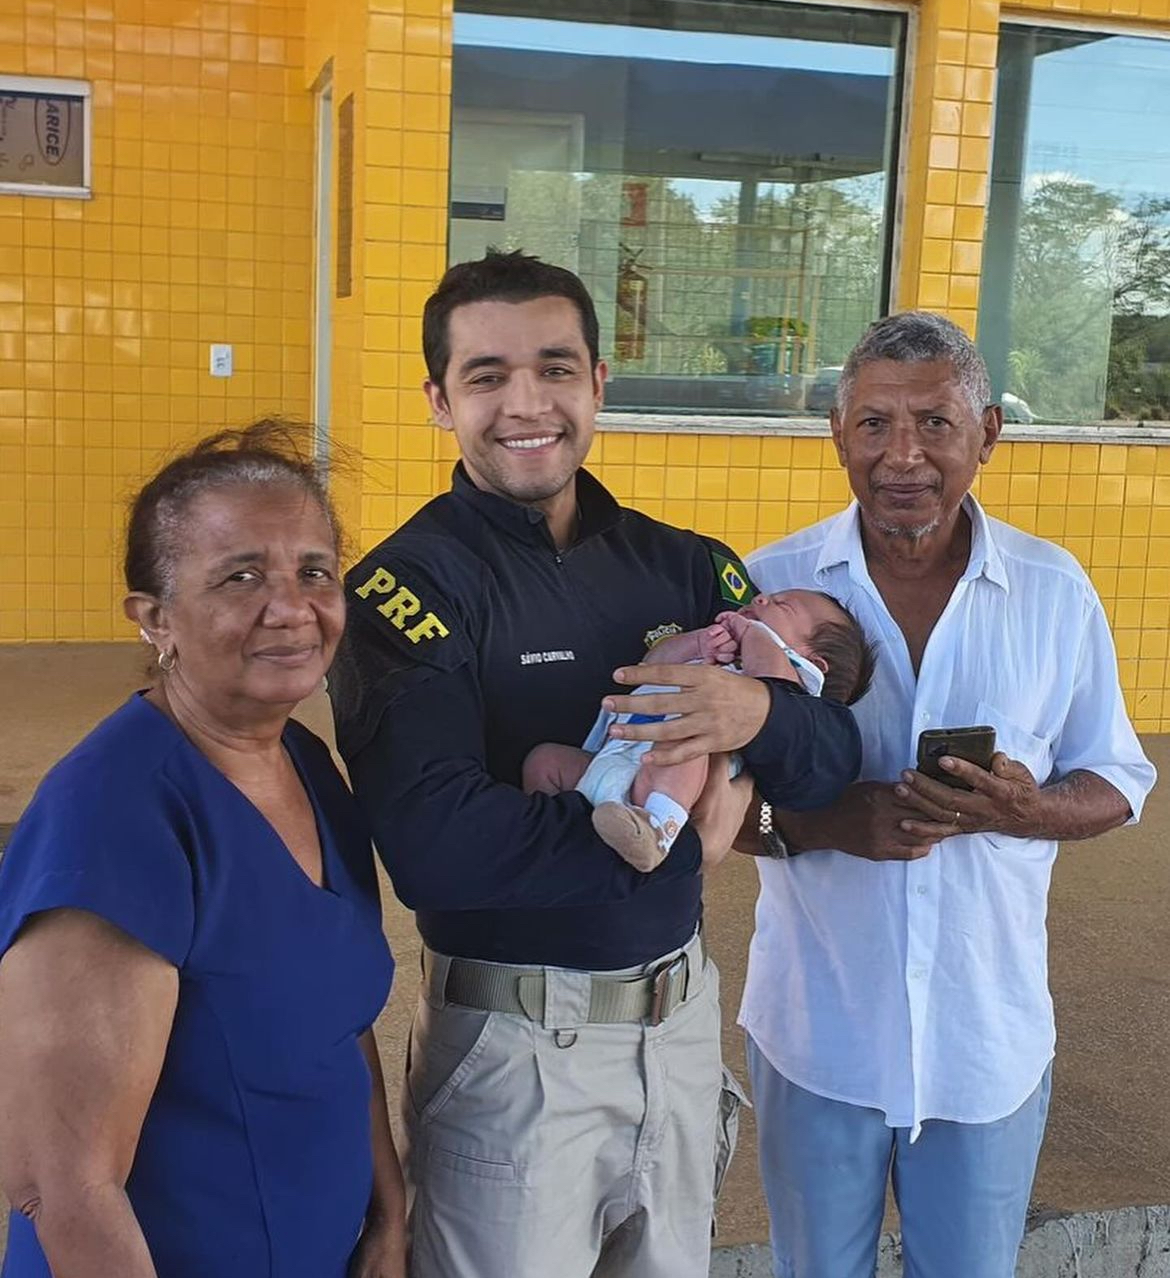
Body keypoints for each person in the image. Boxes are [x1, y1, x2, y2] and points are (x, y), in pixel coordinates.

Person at [327, 249, 862, 1278]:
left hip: (679, 1026)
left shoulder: (689, 565)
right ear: (439, 401)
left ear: (599, 383)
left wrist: (752, 708)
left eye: (556, 368)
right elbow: (439, 847)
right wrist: (678, 850)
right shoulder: (405, 591)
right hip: (518, 1052)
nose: (526, 403)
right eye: (486, 376)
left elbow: (829, 753)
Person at [738, 312, 1157, 1278]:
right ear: (837, 435)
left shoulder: (1054, 593)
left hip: (986, 1045)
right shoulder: (769, 591)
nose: (904, 456)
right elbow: (722, 812)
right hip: (819, 1037)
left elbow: (1120, 779)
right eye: (875, 424)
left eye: (935, 423)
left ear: (989, 434)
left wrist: (1028, 810)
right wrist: (835, 822)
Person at [0, 423, 405, 1278]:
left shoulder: (305, 763)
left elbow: (342, 1023)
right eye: (241, 576)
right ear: (155, 620)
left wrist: (388, 1213)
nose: (292, 607)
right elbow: (62, 1185)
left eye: (315, 571)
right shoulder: (114, 819)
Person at [523, 588, 874, 872]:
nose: (761, 598)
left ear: (813, 662)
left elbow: (774, 685)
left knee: (686, 740)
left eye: (783, 605)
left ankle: (657, 828)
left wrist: (754, 634)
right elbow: (651, 666)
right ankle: (551, 836)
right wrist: (697, 644)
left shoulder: (798, 683)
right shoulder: (721, 654)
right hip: (611, 760)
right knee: (545, 761)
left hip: (670, 772)